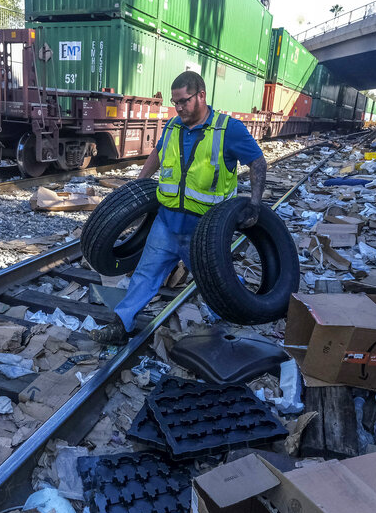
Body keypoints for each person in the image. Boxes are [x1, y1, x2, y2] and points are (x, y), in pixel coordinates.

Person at [88, 71, 267, 346]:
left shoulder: (228, 129)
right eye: (175, 102)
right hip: (167, 222)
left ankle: (246, 308)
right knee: (145, 276)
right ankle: (121, 325)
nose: (179, 107)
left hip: (203, 229)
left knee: (218, 284)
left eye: (183, 101)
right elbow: (157, 156)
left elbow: (257, 162)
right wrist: (134, 192)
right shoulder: (172, 127)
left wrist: (255, 205)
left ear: (201, 96)